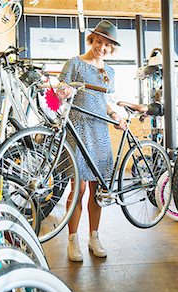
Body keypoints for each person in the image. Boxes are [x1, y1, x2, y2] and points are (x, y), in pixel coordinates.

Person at [56, 20, 127, 262]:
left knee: (98, 189)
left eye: (107, 45)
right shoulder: (74, 63)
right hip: (77, 130)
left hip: (100, 131)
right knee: (79, 188)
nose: (102, 48)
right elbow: (60, 91)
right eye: (99, 42)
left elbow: (106, 101)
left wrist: (115, 114)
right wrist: (63, 92)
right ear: (92, 40)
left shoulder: (110, 72)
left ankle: (94, 236)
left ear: (112, 48)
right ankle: (72, 239)